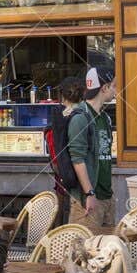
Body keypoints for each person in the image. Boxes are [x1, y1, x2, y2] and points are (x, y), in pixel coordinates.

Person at [67, 67, 116, 233]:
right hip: (88, 200)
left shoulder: (104, 118)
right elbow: (77, 159)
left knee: (106, 247)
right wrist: (89, 194)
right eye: (114, 86)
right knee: (82, 246)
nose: (116, 90)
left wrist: (109, 195)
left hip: (107, 196)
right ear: (104, 88)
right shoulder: (81, 118)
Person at [48, 76, 85, 226]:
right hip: (81, 186)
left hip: (64, 183)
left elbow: (55, 161)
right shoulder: (84, 117)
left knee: (65, 227)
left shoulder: (56, 121)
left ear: (62, 96)